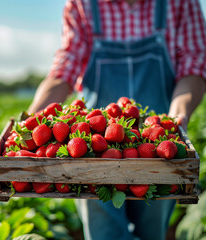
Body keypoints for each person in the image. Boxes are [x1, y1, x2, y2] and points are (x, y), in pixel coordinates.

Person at [27, 0, 206, 239]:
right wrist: (31, 119)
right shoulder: (82, 4)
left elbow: (194, 65)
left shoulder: (180, 2)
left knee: (152, 230)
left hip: (159, 146)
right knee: (103, 233)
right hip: (91, 150)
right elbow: (64, 69)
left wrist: (178, 114)